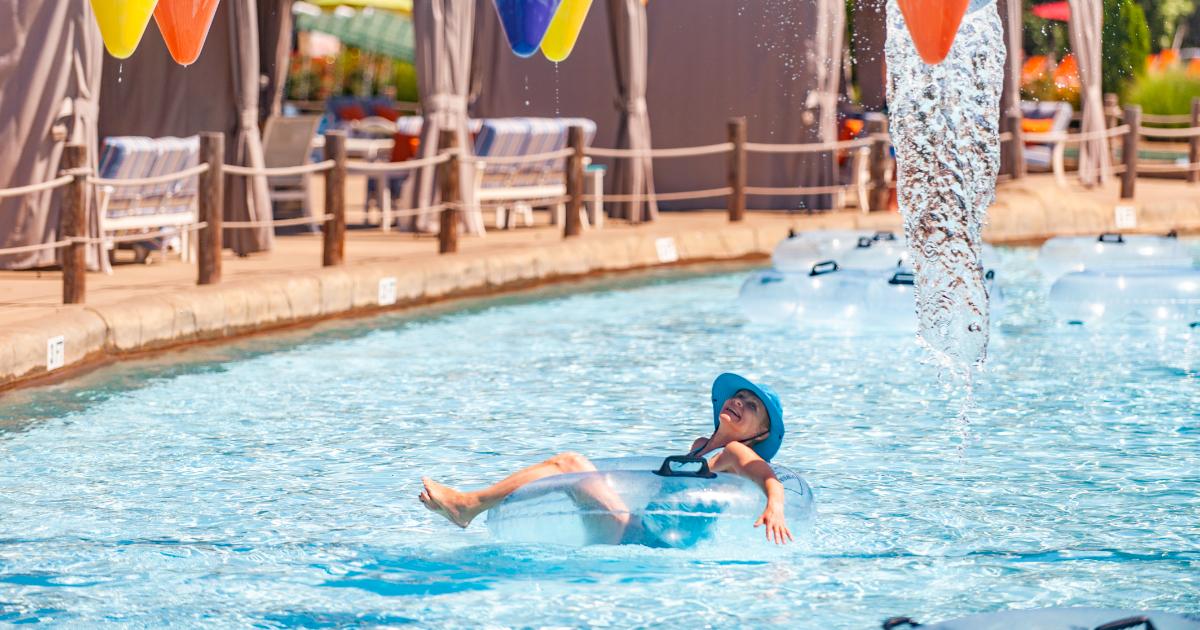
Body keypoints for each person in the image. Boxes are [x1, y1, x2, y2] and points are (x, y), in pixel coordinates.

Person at [419, 373, 793, 545]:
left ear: (760, 433)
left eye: (752, 406)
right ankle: (468, 506)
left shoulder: (734, 452)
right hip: (636, 527)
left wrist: (775, 506)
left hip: (641, 538)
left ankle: (468, 505)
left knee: (569, 464)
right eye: (738, 397)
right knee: (570, 463)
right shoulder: (699, 446)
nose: (739, 402)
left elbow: (766, 476)